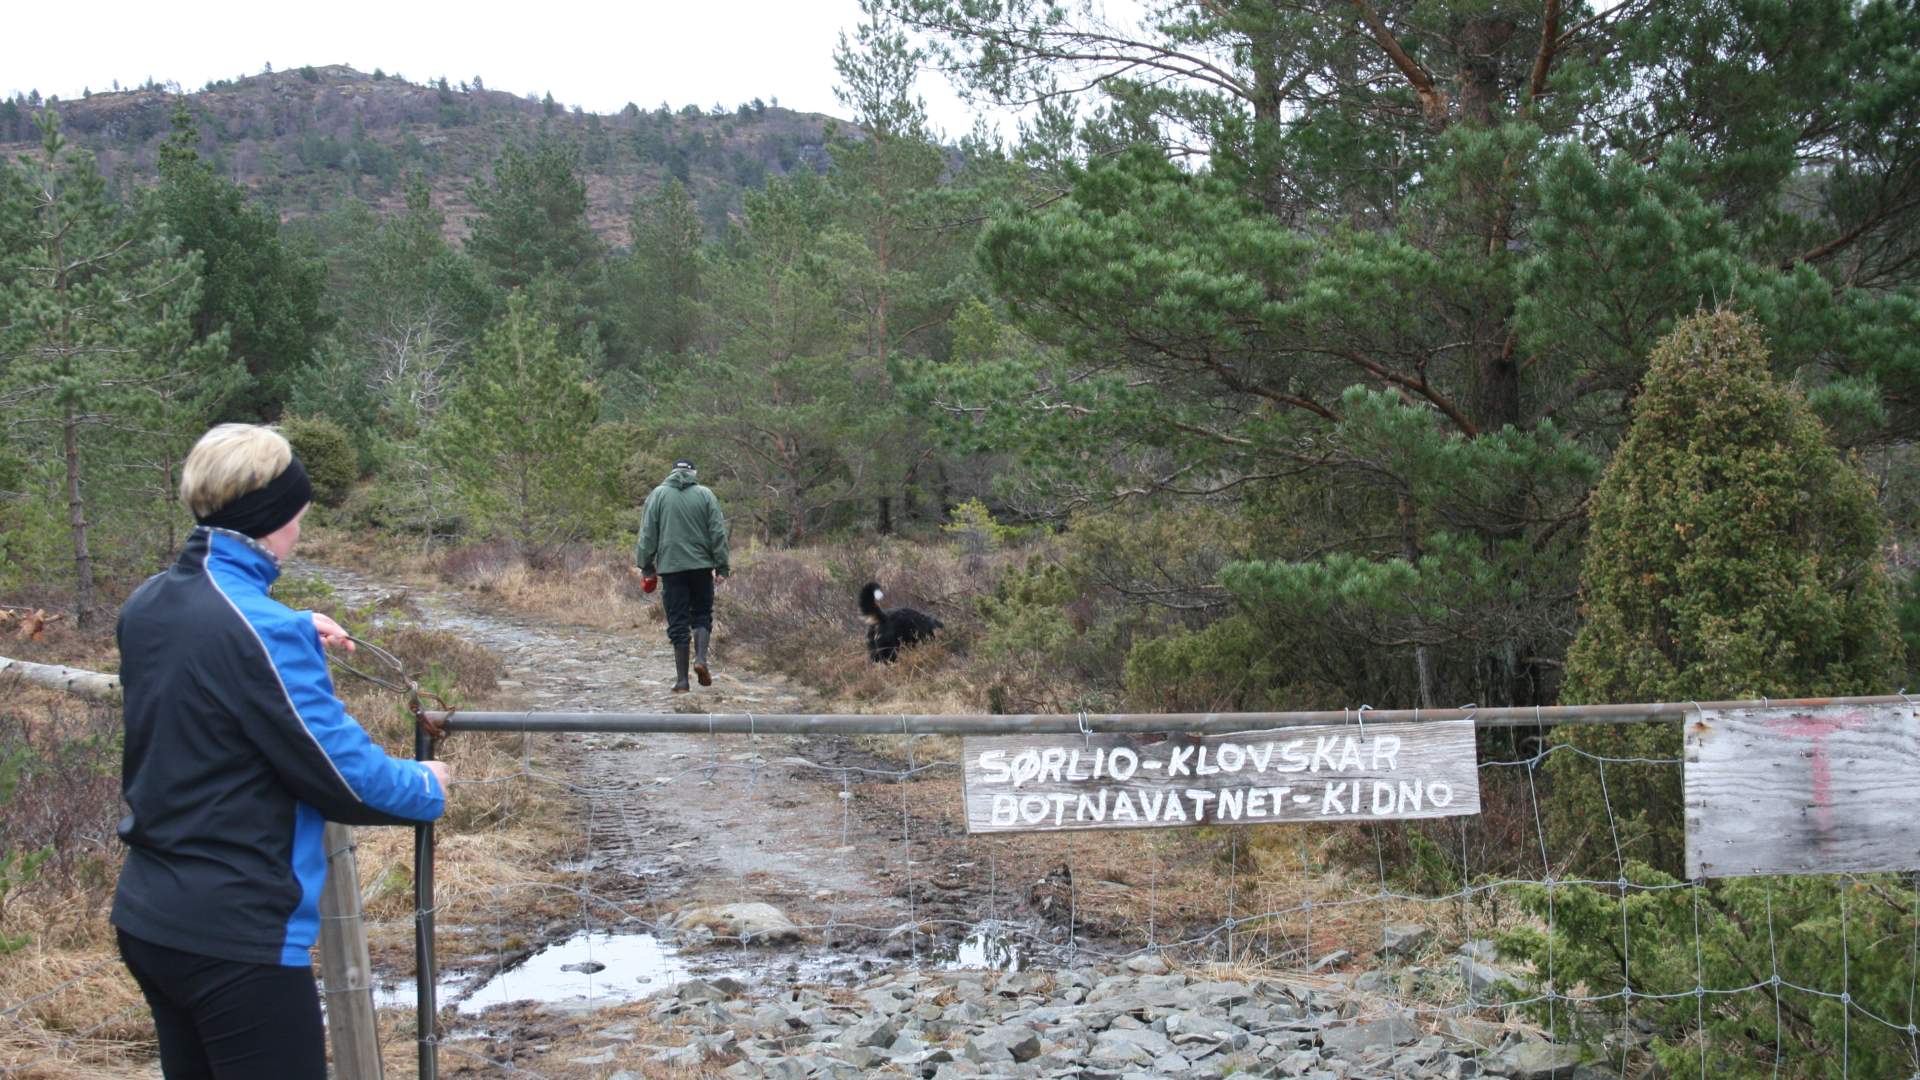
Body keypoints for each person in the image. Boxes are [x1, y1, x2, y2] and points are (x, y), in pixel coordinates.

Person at [112, 423, 450, 1079]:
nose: (302, 525)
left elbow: (215, 658)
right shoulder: (262, 634)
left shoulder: (148, 603)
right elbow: (346, 781)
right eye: (298, 510)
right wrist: (427, 784)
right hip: (237, 937)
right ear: (274, 517)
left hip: (151, 916)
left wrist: (291, 625)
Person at [635, 457, 730, 692]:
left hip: (671, 568)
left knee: (678, 622)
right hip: (701, 567)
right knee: (701, 615)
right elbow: (717, 532)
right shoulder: (706, 494)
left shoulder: (657, 495)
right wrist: (722, 567)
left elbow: (647, 534)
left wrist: (646, 566)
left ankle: (682, 681)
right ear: (694, 473)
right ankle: (700, 659)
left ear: (672, 472)